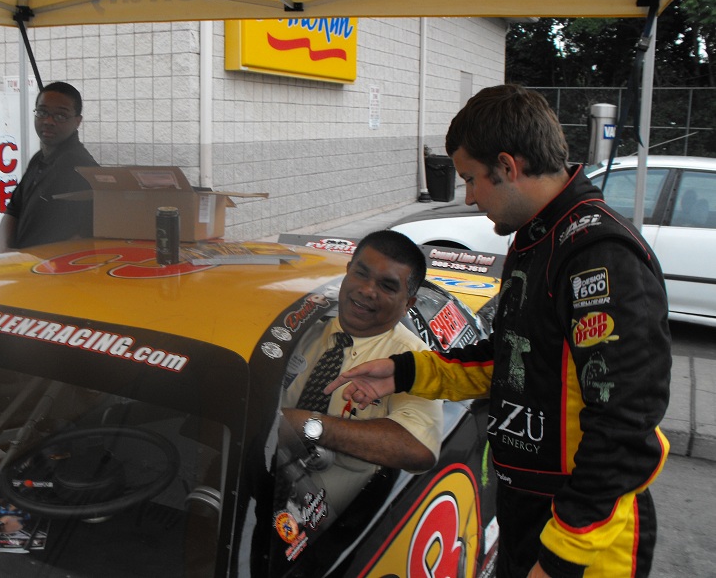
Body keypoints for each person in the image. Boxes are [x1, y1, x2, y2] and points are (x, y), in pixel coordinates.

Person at [326, 85, 671, 578]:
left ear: (508, 166)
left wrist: (560, 558)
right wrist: (403, 372)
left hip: (584, 539)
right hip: (530, 513)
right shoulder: (540, 237)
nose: (468, 196)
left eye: (471, 179)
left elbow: (625, 426)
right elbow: (513, 359)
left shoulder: (599, 254)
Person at [280, 229, 442, 516]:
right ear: (347, 271)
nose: (367, 290)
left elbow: (418, 449)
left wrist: (309, 426)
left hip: (326, 523)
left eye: (387, 286)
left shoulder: (414, 361)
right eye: (361, 274)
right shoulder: (297, 328)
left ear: (408, 303)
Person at [0, 81, 98, 252]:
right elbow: (13, 210)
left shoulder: (82, 168)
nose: (48, 121)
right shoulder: (38, 159)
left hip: (51, 267)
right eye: (42, 112)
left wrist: (36, 260)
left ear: (77, 121)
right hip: (20, 263)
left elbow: (84, 236)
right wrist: (4, 249)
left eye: (61, 116)